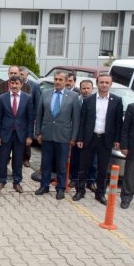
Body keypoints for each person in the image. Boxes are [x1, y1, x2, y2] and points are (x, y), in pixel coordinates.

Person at [74, 73, 123, 204]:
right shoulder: (88, 100)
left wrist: (117, 140)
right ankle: (80, 191)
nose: (104, 84)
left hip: (105, 140)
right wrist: (80, 138)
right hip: (89, 138)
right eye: (101, 82)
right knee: (83, 166)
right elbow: (82, 121)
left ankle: (100, 193)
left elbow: (118, 123)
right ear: (97, 84)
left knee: (102, 168)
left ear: (110, 84)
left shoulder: (117, 101)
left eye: (107, 82)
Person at [35, 71, 81, 200]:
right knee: (46, 163)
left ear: (66, 81)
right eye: (56, 79)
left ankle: (60, 188)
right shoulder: (45, 94)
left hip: (63, 136)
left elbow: (76, 119)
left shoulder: (73, 96)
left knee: (61, 164)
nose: (57, 82)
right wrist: (38, 132)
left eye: (60, 79)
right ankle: (44, 185)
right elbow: (39, 115)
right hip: (47, 134)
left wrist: (73, 137)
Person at [0, 76, 34, 193]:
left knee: (18, 160)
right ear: (9, 84)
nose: (15, 86)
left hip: (20, 134)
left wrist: (29, 136)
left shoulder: (28, 98)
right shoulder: (2, 98)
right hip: (5, 133)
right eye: (12, 83)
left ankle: (17, 182)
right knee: (3, 158)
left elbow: (30, 119)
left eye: (17, 83)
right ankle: (1, 181)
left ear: (21, 85)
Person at [69, 79, 96, 190]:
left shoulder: (96, 101)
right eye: (83, 88)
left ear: (92, 89)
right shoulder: (76, 101)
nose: (85, 91)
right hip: (76, 134)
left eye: (88, 88)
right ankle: (74, 179)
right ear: (80, 89)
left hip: (92, 135)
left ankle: (91, 181)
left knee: (93, 160)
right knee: (75, 158)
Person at [120, 100, 134, 209]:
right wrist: (124, 146)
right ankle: (126, 198)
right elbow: (125, 128)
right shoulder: (133, 107)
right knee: (130, 174)